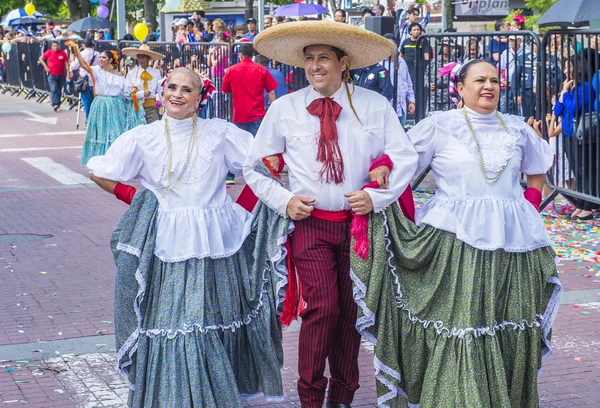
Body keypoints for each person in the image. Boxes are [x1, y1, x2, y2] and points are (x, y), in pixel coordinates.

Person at [351, 59, 561, 407]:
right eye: (479, 80)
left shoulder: (518, 128)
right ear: (460, 88)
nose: (488, 86)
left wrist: (529, 205)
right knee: (463, 324)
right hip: (455, 240)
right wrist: (382, 170)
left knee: (504, 322)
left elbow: (537, 171)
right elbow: (400, 162)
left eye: (494, 80)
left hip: (514, 246)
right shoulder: (439, 125)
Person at [86, 67, 288, 407]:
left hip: (218, 242)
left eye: (187, 90)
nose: (177, 94)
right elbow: (99, 170)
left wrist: (244, 210)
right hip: (167, 244)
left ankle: (216, 393)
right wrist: (132, 197)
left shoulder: (219, 132)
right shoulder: (142, 137)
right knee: (179, 323)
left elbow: (260, 165)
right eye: (172, 87)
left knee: (214, 320)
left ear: (199, 99)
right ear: (163, 92)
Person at [246, 21, 418, 408]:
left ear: (344, 62)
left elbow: (405, 156)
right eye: (309, 59)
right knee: (322, 308)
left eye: (323, 58)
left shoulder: (374, 104)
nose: (315, 65)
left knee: (350, 314)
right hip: (309, 224)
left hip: (359, 228)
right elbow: (254, 166)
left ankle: (341, 397)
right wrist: (283, 199)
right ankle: (310, 397)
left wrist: (378, 196)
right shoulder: (284, 108)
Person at [69, 43, 146, 165]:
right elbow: (83, 64)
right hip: (101, 105)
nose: (100, 59)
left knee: (116, 133)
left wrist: (138, 93)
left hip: (116, 105)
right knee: (101, 132)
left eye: (103, 57)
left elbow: (126, 93)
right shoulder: (96, 71)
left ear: (110, 60)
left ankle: (115, 160)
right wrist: (76, 50)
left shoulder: (120, 76)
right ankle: (100, 159)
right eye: (100, 57)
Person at [123, 44, 165, 124]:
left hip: (152, 107)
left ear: (149, 58)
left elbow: (160, 90)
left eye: (143, 57)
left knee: (152, 129)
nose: (141, 60)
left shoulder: (155, 73)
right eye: (139, 57)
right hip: (137, 107)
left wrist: (160, 102)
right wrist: (141, 94)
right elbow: (127, 93)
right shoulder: (132, 74)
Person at [70, 37, 99, 119]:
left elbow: (74, 66)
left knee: (87, 102)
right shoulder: (98, 54)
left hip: (85, 81)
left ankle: (88, 120)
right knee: (95, 103)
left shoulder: (82, 53)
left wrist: (72, 59)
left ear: (84, 45)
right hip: (95, 81)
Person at [39, 41, 70, 112]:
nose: (55, 47)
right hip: (52, 74)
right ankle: (55, 104)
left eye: (56, 46)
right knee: (54, 89)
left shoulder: (63, 53)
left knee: (59, 90)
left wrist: (68, 73)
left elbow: (66, 63)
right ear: (52, 47)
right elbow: (41, 58)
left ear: (59, 46)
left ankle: (58, 104)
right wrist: (45, 66)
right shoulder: (49, 52)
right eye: (53, 46)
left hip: (61, 74)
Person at [400, 22, 430, 90]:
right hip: (407, 68)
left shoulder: (424, 41)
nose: (416, 31)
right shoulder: (405, 42)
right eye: (414, 30)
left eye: (418, 29)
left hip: (420, 69)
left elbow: (426, 56)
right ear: (410, 32)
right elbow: (401, 55)